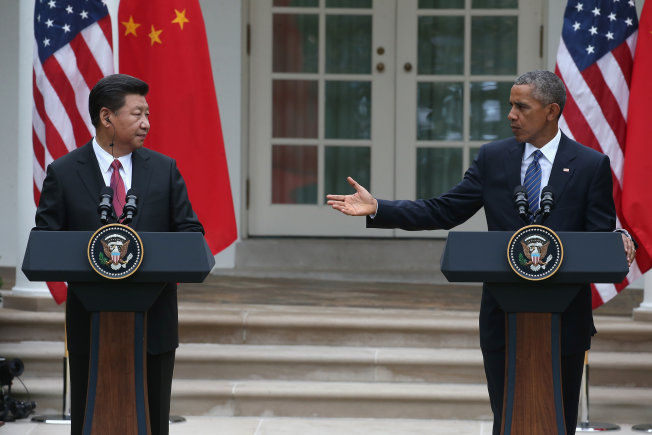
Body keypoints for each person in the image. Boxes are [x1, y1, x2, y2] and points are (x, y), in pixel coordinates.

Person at [327, 70, 636, 435]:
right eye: (510, 105)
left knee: (559, 420)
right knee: (506, 417)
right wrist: (379, 207)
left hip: (566, 318)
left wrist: (616, 238)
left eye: (522, 106)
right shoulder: (494, 158)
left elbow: (597, 235)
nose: (511, 114)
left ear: (551, 111)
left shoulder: (589, 164)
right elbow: (444, 210)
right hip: (504, 316)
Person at [33, 74, 204, 435]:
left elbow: (190, 235)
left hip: (153, 320)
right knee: (88, 416)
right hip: (90, 324)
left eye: (148, 114)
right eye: (137, 113)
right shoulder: (63, 173)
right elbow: (46, 240)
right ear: (107, 117)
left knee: (153, 419)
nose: (146, 123)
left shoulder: (164, 169)